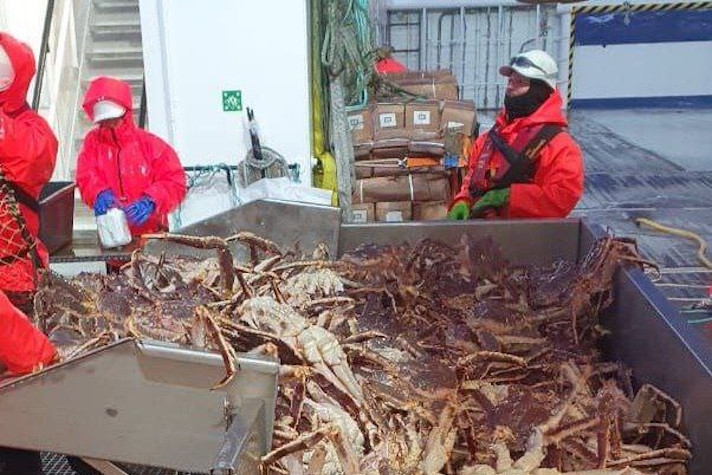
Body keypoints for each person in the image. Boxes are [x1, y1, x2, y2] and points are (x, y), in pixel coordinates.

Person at [0, 31, 59, 475]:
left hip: (21, 280)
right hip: (9, 319)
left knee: (23, 417)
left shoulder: (29, 126)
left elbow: (36, 162)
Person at [448, 49, 584, 220]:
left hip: (528, 239)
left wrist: (510, 196)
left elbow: (563, 197)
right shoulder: (490, 138)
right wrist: (463, 200)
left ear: (540, 89)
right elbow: (473, 176)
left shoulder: (560, 146)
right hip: (483, 234)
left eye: (519, 82)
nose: (510, 87)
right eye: (510, 81)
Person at [76, 76, 186, 238]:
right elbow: (85, 176)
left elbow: (175, 181)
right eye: (105, 121)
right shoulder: (93, 144)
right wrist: (98, 192)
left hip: (152, 238)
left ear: (125, 115)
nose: (110, 125)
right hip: (113, 236)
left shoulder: (150, 145)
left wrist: (152, 200)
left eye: (114, 120)